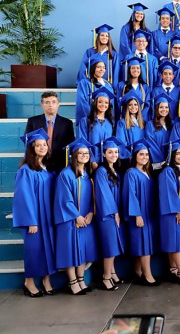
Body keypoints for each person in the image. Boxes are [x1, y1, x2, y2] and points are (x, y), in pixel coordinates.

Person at [13, 129, 56, 297]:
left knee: (48, 248)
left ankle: (46, 280)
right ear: (31, 148)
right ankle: (29, 282)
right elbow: (24, 197)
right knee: (34, 249)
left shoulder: (46, 168)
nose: (42, 147)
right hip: (34, 218)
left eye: (44, 144)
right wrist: (31, 220)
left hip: (47, 216)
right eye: (38, 145)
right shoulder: (26, 170)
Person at [54, 138, 98, 295]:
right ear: (74, 155)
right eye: (81, 153)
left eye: (87, 153)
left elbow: (93, 197)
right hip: (70, 221)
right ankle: (72, 282)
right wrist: (76, 216)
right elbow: (64, 199)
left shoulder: (88, 174)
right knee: (71, 251)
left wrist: (91, 212)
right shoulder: (66, 174)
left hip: (87, 220)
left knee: (84, 250)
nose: (84, 155)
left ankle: (81, 279)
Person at [93, 137, 128, 291]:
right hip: (107, 215)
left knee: (113, 245)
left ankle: (112, 272)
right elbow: (104, 194)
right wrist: (114, 213)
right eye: (110, 152)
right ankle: (106, 277)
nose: (114, 154)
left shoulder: (114, 170)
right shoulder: (101, 171)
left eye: (116, 152)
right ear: (104, 154)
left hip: (114, 214)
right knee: (110, 247)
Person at [123, 139, 159, 286]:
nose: (144, 157)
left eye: (146, 155)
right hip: (139, 214)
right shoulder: (131, 172)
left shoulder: (147, 172)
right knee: (144, 245)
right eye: (141, 154)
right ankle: (148, 275)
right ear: (135, 156)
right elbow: (131, 194)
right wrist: (137, 215)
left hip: (148, 214)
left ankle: (137, 272)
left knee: (144, 243)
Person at [158, 138, 180, 286]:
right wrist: (178, 210)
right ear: (171, 155)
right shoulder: (168, 171)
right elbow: (169, 193)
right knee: (177, 243)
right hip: (172, 213)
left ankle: (174, 269)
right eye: (178, 153)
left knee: (176, 242)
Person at [25, 91, 75, 173]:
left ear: (58, 104)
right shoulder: (33, 121)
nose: (50, 105)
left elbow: (70, 144)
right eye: (47, 102)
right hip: (38, 163)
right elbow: (28, 143)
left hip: (60, 164)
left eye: (53, 102)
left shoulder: (67, 123)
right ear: (42, 105)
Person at [77, 87, 115, 165]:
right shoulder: (85, 121)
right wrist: (92, 160)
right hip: (89, 161)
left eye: (106, 102)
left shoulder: (110, 123)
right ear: (95, 103)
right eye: (100, 102)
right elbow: (83, 141)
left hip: (106, 161)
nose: (103, 105)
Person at [76, 54, 115, 123]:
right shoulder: (85, 83)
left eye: (103, 67)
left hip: (106, 121)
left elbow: (111, 104)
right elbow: (82, 102)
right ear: (93, 68)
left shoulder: (108, 85)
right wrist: (93, 118)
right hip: (90, 120)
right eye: (99, 67)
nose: (101, 69)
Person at [117, 56, 152, 123]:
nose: (135, 70)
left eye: (137, 68)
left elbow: (147, 105)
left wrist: (140, 118)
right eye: (133, 68)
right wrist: (128, 117)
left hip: (141, 120)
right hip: (126, 120)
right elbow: (119, 103)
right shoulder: (121, 86)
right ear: (129, 70)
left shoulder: (145, 87)